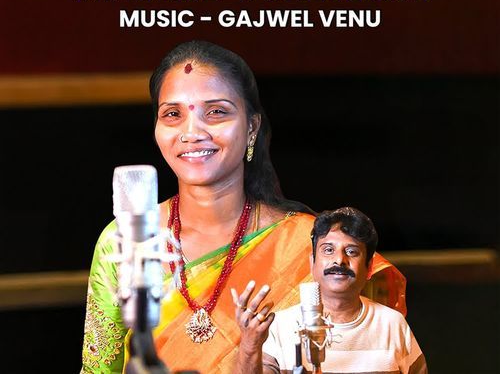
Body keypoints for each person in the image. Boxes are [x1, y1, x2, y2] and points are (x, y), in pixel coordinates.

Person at [81, 40, 406, 374]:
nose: (191, 132)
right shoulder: (125, 240)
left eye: (216, 112)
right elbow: (98, 369)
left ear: (252, 127)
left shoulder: (309, 244)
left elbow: (363, 353)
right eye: (173, 114)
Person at [232, 207, 427, 374]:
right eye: (328, 250)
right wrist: (250, 345)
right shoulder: (279, 328)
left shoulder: (392, 324)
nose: (339, 260)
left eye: (351, 251)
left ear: (369, 268)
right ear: (312, 264)